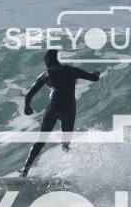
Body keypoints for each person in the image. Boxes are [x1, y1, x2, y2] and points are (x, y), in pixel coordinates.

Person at [19, 49, 101, 177]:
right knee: (65, 144)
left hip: (54, 106)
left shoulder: (46, 74)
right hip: (69, 107)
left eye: (45, 60)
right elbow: (94, 78)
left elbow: (29, 94)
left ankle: (25, 170)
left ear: (48, 60)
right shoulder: (72, 70)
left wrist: (27, 107)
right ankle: (73, 171)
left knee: (41, 140)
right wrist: (96, 73)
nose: (45, 62)